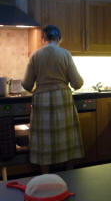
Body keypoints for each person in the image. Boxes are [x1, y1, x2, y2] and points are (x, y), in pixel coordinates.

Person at [22, 25, 84, 174]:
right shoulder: (65, 54)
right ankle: (69, 171)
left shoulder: (35, 56)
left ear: (43, 38)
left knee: (44, 138)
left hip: (41, 99)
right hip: (62, 97)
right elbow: (77, 83)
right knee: (67, 134)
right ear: (59, 39)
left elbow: (27, 84)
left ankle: (45, 173)